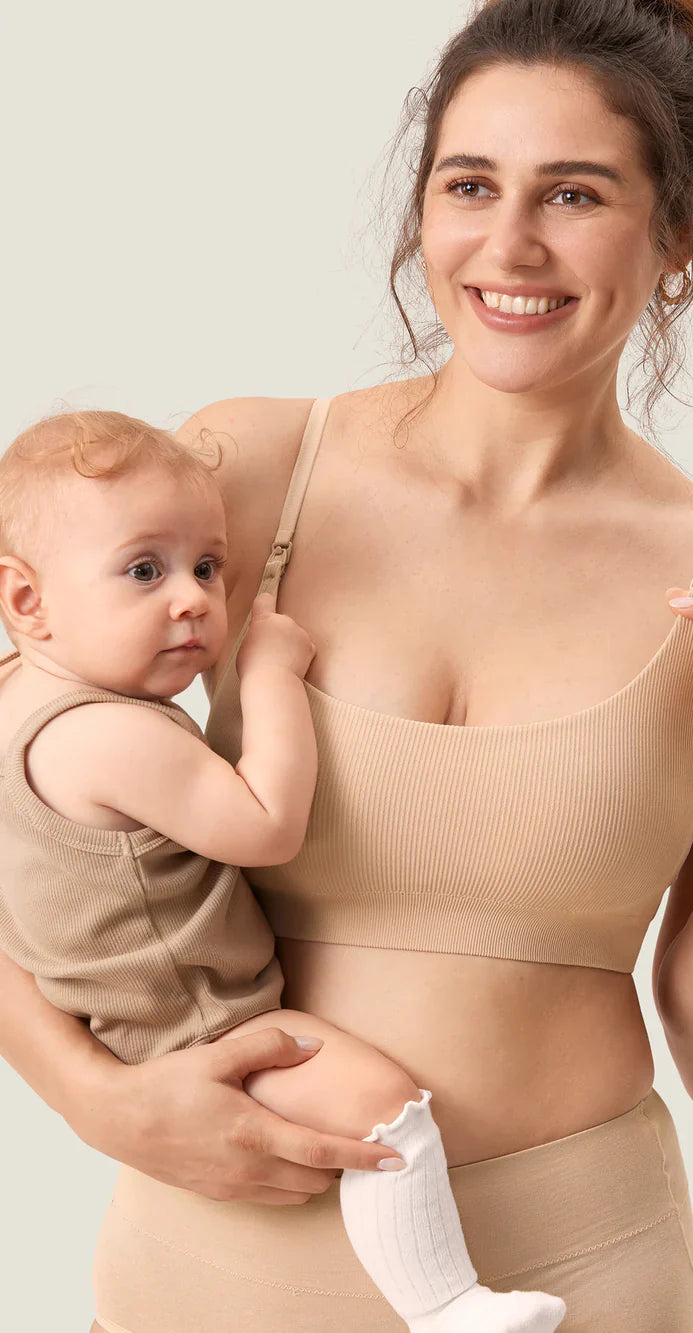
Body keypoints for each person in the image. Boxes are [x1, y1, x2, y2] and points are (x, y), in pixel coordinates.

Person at [0, 1, 693, 1329]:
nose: (510, 246)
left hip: (577, 1275)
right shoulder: (244, 480)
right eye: (470, 185)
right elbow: (18, 801)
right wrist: (91, 1096)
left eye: (574, 193)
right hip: (205, 1280)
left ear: (678, 228)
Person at [0, 408, 568, 1333]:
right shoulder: (107, 735)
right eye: (144, 570)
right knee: (384, 1108)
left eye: (207, 567)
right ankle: (448, 1306)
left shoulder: (16, 702)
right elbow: (266, 823)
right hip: (204, 1025)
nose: (191, 599)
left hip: (132, 1026)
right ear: (27, 600)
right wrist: (267, 671)